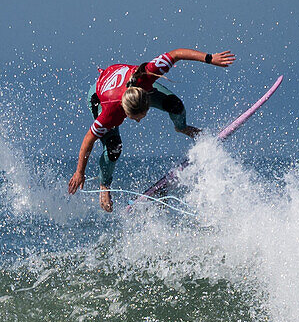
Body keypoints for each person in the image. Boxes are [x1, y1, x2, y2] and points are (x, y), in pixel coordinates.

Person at [67, 48, 236, 211]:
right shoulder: (110, 114)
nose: (140, 121)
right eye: (136, 118)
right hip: (99, 95)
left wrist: (209, 58)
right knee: (113, 148)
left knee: (175, 105)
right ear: (126, 112)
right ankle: (105, 185)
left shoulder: (146, 76)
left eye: (143, 114)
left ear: (146, 96)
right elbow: (88, 139)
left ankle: (182, 128)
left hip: (132, 87)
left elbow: (176, 54)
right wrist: (79, 172)